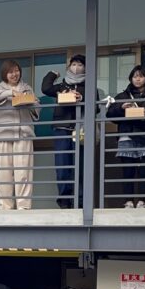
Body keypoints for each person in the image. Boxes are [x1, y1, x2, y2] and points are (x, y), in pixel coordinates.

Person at [106, 65, 145, 208]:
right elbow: (110, 114)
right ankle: (128, 201)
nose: (137, 79)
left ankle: (143, 201)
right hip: (127, 135)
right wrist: (120, 108)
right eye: (135, 76)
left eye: (141, 76)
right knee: (127, 170)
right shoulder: (123, 96)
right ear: (131, 79)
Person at [0, 61, 40, 211]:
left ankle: (23, 207)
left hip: (23, 134)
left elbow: (37, 107)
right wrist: (10, 93)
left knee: (23, 172)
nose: (14, 74)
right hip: (3, 135)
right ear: (4, 74)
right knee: (4, 174)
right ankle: (5, 207)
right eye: (10, 72)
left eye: (16, 71)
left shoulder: (27, 88)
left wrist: (27, 100)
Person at [42, 54, 89, 209]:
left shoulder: (89, 87)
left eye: (80, 65)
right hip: (61, 129)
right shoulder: (61, 86)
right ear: (69, 67)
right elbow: (46, 88)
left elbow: (94, 108)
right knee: (62, 167)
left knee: (81, 167)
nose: (77, 67)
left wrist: (81, 97)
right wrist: (53, 74)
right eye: (74, 64)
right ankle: (64, 200)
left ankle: (81, 201)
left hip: (80, 131)